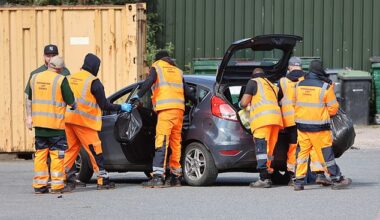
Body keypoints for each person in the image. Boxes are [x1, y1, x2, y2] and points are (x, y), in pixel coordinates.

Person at [124, 50, 195, 188]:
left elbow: (148, 82)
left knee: (161, 141)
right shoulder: (177, 71)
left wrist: (137, 95)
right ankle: (175, 177)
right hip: (179, 111)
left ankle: (157, 176)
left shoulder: (157, 67)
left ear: (158, 59)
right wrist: (195, 101)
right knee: (176, 144)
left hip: (166, 110)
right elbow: (187, 91)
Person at [63, 53, 129, 191]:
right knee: (95, 150)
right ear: (95, 67)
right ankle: (102, 179)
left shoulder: (70, 78)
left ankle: (64, 178)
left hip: (69, 120)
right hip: (85, 122)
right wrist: (121, 107)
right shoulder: (94, 82)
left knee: (71, 150)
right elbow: (104, 105)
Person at [294, 60, 352, 190]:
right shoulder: (325, 87)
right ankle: (337, 179)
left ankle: (298, 182)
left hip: (302, 126)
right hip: (319, 127)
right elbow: (333, 109)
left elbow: (294, 103)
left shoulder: (299, 85)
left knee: (302, 154)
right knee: (327, 155)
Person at [26, 56, 76, 194]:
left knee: (40, 155)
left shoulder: (34, 78)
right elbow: (71, 100)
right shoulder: (60, 79)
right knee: (57, 156)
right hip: (55, 126)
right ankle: (57, 185)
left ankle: (39, 185)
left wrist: (29, 117)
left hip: (40, 126)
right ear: (59, 69)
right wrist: (74, 105)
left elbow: (29, 99)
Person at [278, 57, 330, 186]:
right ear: (301, 66)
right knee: (313, 145)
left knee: (293, 147)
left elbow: (277, 99)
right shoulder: (307, 79)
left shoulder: (283, 81)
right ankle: (319, 173)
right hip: (307, 117)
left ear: (289, 66)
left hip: (289, 120)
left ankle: (292, 176)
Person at [239, 68, 283, 188]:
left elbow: (243, 103)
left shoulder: (253, 82)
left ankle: (263, 178)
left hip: (262, 121)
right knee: (269, 150)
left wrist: (241, 105)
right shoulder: (272, 86)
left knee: (261, 149)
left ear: (253, 76)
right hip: (276, 120)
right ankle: (267, 175)